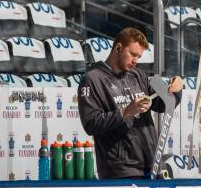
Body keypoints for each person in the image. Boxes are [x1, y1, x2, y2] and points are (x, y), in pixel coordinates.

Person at [78, 27, 182, 179]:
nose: (136, 61)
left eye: (139, 57)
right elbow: (91, 124)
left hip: (152, 165)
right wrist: (126, 112)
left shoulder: (139, 74)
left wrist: (177, 86)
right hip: (120, 171)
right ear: (118, 48)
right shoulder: (91, 79)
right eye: (133, 54)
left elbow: (163, 104)